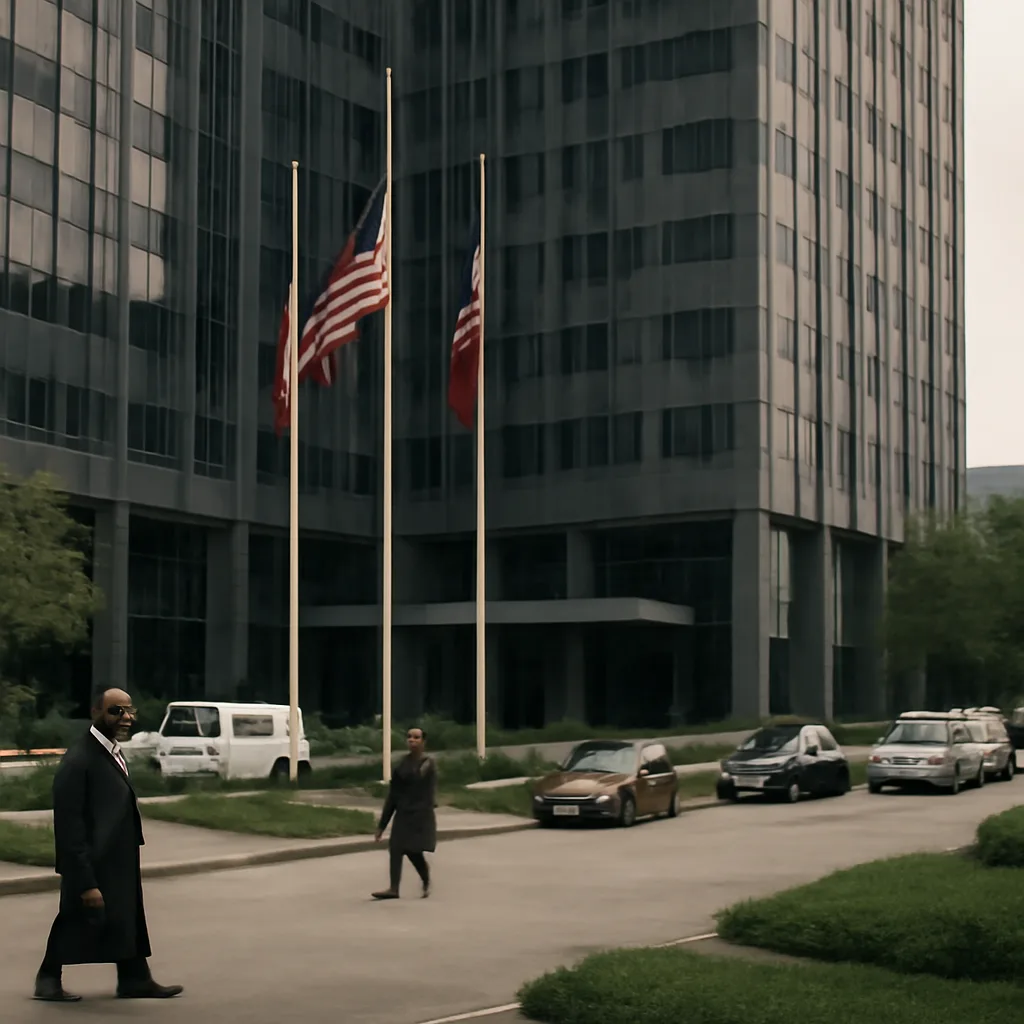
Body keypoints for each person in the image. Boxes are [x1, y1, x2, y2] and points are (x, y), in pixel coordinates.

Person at [34, 687, 183, 1003]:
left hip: (117, 858)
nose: (125, 717)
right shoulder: (80, 760)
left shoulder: (111, 751)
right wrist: (85, 880)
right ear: (96, 713)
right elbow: (69, 825)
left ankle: (135, 978)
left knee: (125, 917)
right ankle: (47, 978)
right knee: (77, 917)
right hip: (91, 861)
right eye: (116, 711)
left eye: (129, 711)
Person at [372, 726, 437, 900]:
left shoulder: (427, 762)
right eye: (409, 737)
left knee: (413, 850)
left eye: (416, 737)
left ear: (423, 741)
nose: (412, 740)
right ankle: (394, 889)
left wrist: (403, 770)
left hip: (420, 815)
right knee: (396, 848)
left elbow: (417, 777)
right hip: (403, 813)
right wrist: (381, 826)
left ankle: (425, 878)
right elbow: (393, 796)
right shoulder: (402, 763)